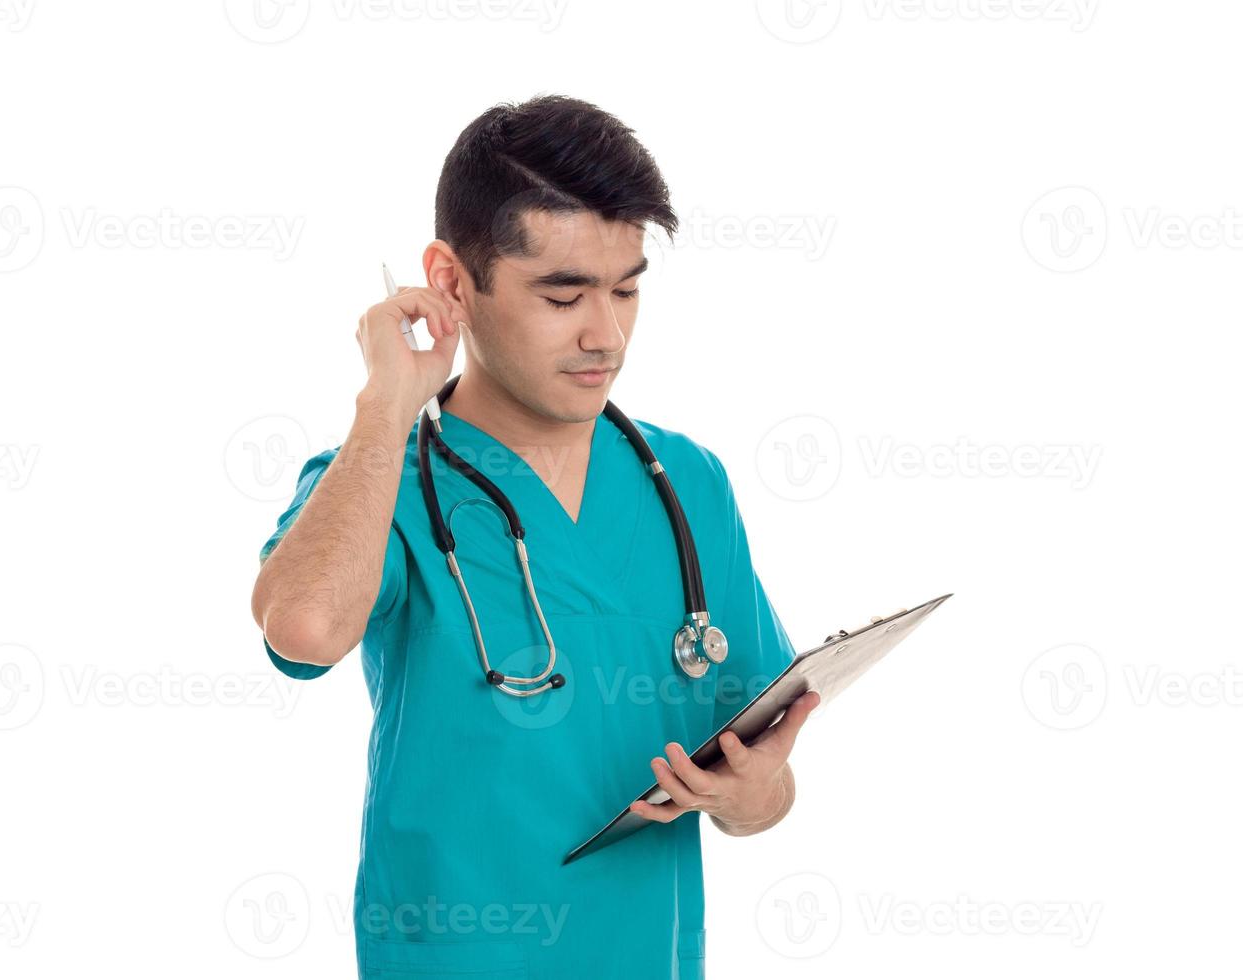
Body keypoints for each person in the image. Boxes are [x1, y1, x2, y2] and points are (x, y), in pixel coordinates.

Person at [250, 93, 820, 979]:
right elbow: (305, 631)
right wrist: (385, 403)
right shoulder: (384, 481)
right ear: (451, 282)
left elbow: (759, 770)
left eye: (627, 288)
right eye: (564, 295)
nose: (608, 333)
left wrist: (753, 799)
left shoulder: (688, 484)